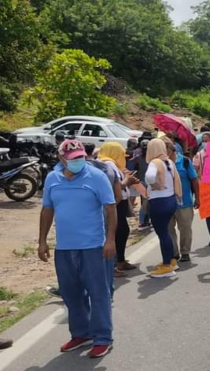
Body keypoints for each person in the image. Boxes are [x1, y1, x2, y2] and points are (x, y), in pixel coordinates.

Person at [38, 139, 117, 358]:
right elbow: (47, 210)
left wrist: (110, 240)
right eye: (73, 158)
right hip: (64, 248)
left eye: (81, 156)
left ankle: (102, 337)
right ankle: (81, 334)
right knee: (71, 293)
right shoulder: (52, 179)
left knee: (98, 293)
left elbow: (110, 208)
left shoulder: (97, 177)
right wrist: (42, 241)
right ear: (61, 158)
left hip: (93, 246)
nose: (79, 161)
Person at [97, 142, 139, 277]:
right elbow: (112, 187)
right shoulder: (107, 165)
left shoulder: (112, 164)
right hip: (115, 203)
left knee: (122, 231)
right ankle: (113, 265)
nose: (124, 158)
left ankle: (120, 261)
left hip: (120, 202)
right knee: (115, 233)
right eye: (122, 155)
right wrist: (127, 181)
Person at [145, 138, 183, 278]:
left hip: (159, 202)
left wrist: (155, 185)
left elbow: (149, 177)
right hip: (171, 199)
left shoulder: (154, 163)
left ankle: (167, 266)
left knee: (163, 234)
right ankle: (171, 261)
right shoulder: (169, 162)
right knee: (166, 232)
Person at [169, 141, 199, 263]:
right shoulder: (161, 163)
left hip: (185, 202)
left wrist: (198, 197)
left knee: (185, 228)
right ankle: (173, 253)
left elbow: (194, 180)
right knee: (169, 229)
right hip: (167, 202)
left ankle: (185, 251)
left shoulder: (185, 162)